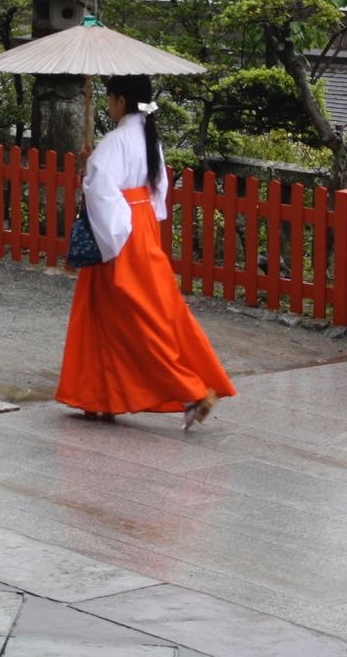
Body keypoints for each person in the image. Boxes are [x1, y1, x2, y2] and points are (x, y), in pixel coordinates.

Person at [55, 73, 236, 430]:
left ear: (121, 100)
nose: (108, 105)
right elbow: (158, 190)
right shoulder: (149, 138)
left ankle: (191, 390)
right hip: (141, 225)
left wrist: (87, 170)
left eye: (110, 98)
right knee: (143, 313)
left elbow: (102, 191)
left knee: (133, 320)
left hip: (119, 232)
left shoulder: (115, 141)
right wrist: (91, 169)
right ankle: (100, 397)